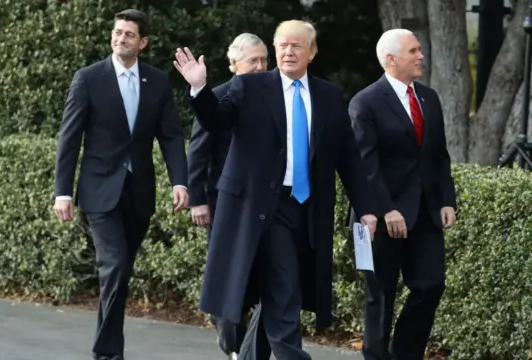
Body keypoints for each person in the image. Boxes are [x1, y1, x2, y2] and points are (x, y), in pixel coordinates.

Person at [173, 20, 378, 360]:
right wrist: (199, 89)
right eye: (282, 44)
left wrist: (367, 208)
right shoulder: (250, 88)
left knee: (284, 289)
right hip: (263, 206)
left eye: (297, 45)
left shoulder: (328, 96)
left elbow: (349, 158)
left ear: (311, 53)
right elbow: (216, 122)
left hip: (310, 208)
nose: (288, 51)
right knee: (284, 287)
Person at [52, 9, 188, 360]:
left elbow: (171, 136)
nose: (120, 39)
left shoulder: (157, 82)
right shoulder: (88, 78)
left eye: (129, 34)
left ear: (142, 42)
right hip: (99, 191)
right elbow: (69, 138)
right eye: (117, 32)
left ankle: (106, 345)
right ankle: (109, 353)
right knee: (114, 266)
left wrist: (180, 182)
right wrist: (62, 192)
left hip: (138, 191)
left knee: (120, 271)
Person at [348, 29, 457, 360]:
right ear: (391, 60)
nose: (421, 55)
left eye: (420, 49)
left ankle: (405, 354)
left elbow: (438, 155)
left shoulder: (429, 98)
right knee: (380, 296)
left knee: (431, 285)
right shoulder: (365, 102)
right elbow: (365, 166)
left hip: (424, 213)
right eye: (414, 51)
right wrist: (386, 209)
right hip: (380, 218)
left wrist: (447, 199)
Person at [186, 33, 271, 360]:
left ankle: (251, 347)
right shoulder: (217, 97)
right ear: (234, 65)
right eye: (254, 61)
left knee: (266, 279)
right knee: (229, 276)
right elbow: (198, 152)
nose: (261, 67)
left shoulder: (275, 98)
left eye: (264, 60)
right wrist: (198, 200)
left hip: (265, 205)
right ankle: (233, 345)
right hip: (223, 204)